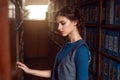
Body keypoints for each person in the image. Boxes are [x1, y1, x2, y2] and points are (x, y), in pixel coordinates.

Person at [17, 5, 91, 80]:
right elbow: (56, 73)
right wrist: (30, 71)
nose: (58, 28)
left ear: (75, 22)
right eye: (58, 24)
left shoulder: (81, 50)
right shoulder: (67, 45)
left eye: (63, 23)